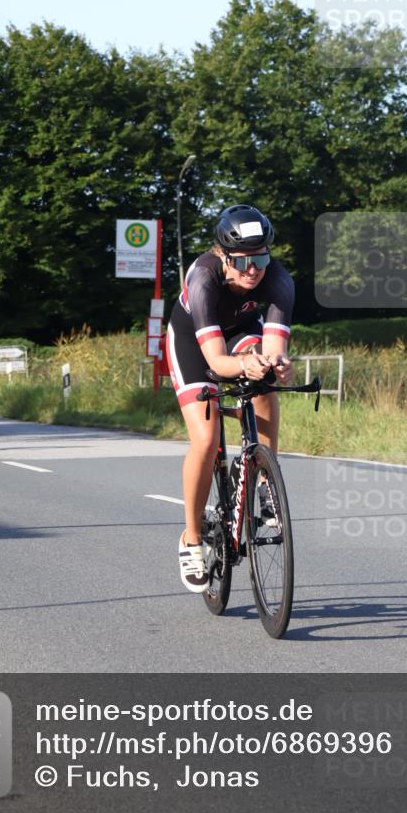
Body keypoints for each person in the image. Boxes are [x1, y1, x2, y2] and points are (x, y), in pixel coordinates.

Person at [166, 204, 295, 592]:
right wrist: (242, 367)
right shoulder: (203, 278)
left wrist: (278, 365)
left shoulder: (279, 280)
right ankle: (191, 538)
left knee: (267, 384)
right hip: (195, 342)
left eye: (261, 257)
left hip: (240, 332)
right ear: (223, 255)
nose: (253, 269)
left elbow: (273, 347)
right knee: (206, 440)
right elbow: (218, 362)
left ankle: (263, 484)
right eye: (243, 261)